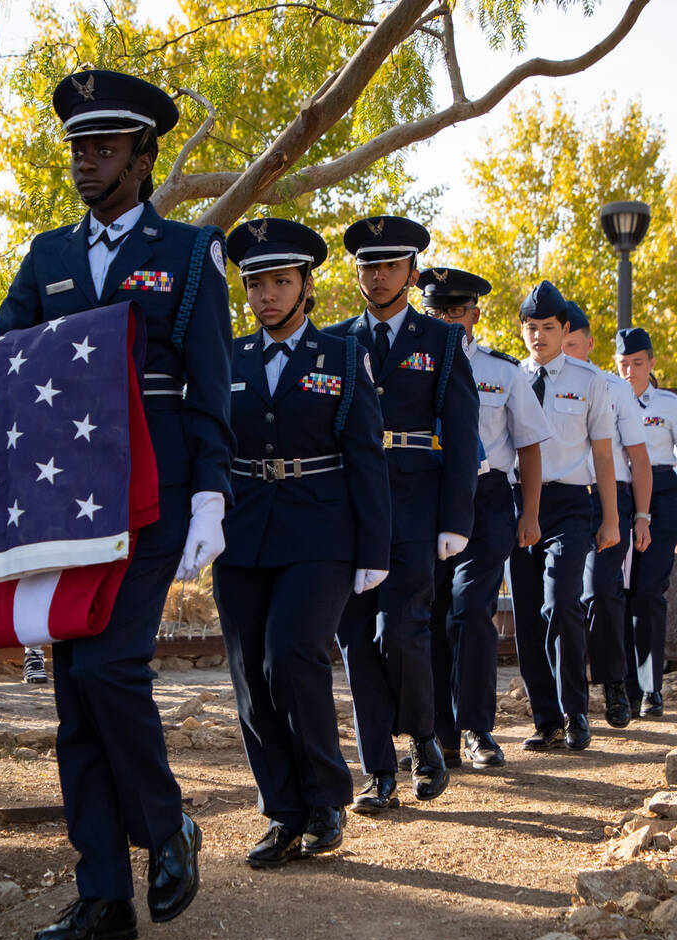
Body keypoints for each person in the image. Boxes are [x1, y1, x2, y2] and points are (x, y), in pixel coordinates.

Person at [0, 70, 233, 940]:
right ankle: (103, 896)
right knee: (76, 699)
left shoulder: (193, 253)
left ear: (143, 155)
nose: (86, 162)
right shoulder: (46, 257)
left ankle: (168, 828)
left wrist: (211, 492)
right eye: (78, 148)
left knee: (109, 671)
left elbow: (210, 386)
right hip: (63, 506)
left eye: (104, 147)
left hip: (153, 495)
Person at [215, 217, 389, 867]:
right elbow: (209, 443)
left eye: (280, 281)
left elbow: (366, 457)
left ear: (306, 286)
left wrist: (375, 551)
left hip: (321, 531)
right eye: (255, 283)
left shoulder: (342, 356)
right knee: (249, 679)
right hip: (242, 533)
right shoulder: (227, 357)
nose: (266, 295)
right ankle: (284, 812)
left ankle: (326, 800)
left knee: (291, 655)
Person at [324, 216, 479, 813]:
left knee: (402, 631)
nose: (379, 276)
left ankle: (422, 738)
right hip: (349, 508)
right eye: (369, 265)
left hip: (416, 504)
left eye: (390, 265)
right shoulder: (335, 342)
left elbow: (462, 433)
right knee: (356, 638)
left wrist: (456, 518)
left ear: (412, 274)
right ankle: (379, 772)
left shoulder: (441, 341)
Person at [419, 266, 550, 770]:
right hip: (425, 497)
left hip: (487, 498)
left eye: (457, 310)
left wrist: (530, 513)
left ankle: (477, 728)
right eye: (436, 311)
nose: (448, 320)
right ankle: (438, 734)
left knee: (471, 608)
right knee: (428, 615)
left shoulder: (503, 371)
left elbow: (529, 445)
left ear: (475, 313)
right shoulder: (409, 364)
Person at [507, 281, 618, 752]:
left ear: (565, 328)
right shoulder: (510, 377)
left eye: (548, 328)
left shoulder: (588, 380)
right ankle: (546, 719)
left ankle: (575, 712)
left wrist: (611, 518)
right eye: (531, 328)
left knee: (561, 604)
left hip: (571, 503)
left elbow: (604, 453)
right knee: (528, 616)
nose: (538, 337)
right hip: (516, 504)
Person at [560, 303, 651, 726]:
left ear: (590, 344)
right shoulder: (536, 380)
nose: (563, 350)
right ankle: (569, 700)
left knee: (600, 589)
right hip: (559, 497)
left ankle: (614, 684)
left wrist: (643, 516)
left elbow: (639, 458)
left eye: (572, 344)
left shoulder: (614, 388)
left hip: (608, 497)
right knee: (562, 597)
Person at [614, 328, 677, 715]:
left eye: (637, 363)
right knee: (618, 593)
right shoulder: (607, 397)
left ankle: (651, 688)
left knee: (649, 590)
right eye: (623, 364)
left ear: (651, 363)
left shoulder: (669, 404)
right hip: (617, 491)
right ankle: (626, 689)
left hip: (663, 494)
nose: (630, 371)